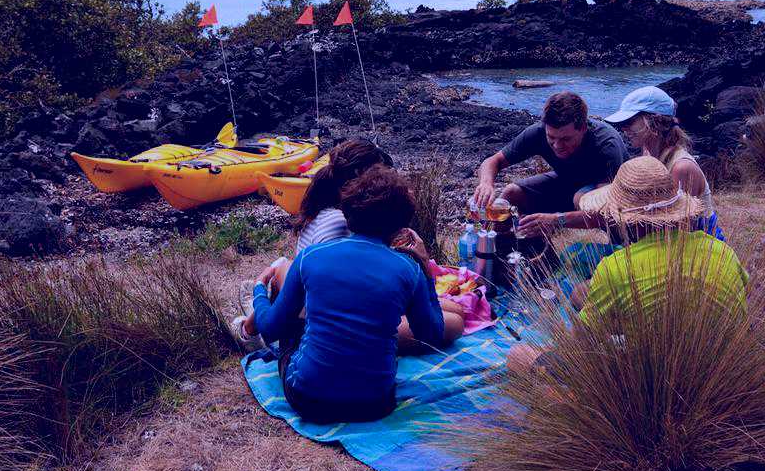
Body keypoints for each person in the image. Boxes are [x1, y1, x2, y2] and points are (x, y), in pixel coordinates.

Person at [251, 166, 460, 423]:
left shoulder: (311, 256)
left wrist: (259, 290)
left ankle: (249, 330)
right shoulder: (409, 270)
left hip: (308, 399)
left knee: (294, 325)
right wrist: (426, 269)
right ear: (400, 225)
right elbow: (431, 334)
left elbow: (270, 329)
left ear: (348, 213)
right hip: (375, 404)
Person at [510, 156, 747, 375]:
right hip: (724, 372)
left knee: (519, 356)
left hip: (652, 383)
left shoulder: (617, 268)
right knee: (589, 297)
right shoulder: (723, 251)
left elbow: (578, 350)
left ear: (624, 219)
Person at [232, 138, 393, 349]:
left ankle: (255, 313)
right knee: (283, 267)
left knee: (283, 265)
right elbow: (337, 290)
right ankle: (252, 324)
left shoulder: (328, 207)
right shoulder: (340, 222)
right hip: (326, 317)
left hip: (323, 305)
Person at [472, 91, 629, 238]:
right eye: (551, 137)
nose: (557, 145)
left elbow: (606, 211)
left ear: (583, 128)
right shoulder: (539, 132)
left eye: (566, 139)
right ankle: (498, 252)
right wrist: (486, 184)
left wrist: (556, 220)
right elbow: (493, 161)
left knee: (582, 200)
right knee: (510, 194)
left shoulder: (606, 145)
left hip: (606, 195)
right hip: (567, 182)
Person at [604, 86, 714, 220]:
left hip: (694, 238)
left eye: (629, 122)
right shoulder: (649, 153)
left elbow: (675, 225)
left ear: (653, 122)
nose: (623, 129)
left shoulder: (681, 168)